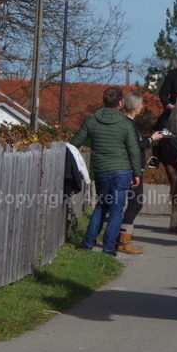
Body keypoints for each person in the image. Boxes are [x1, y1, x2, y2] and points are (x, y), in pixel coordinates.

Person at [69, 87, 142, 255]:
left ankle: (88, 242)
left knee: (102, 205)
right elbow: (133, 150)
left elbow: (75, 143)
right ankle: (109, 247)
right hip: (122, 171)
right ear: (120, 103)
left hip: (102, 170)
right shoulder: (125, 124)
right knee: (117, 209)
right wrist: (136, 173)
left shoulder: (91, 120)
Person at [116, 91, 165, 254]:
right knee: (135, 203)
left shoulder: (127, 123)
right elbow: (137, 147)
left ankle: (121, 237)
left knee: (130, 204)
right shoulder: (129, 124)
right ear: (136, 106)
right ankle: (123, 241)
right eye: (141, 104)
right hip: (132, 170)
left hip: (131, 169)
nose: (143, 106)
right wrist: (152, 139)